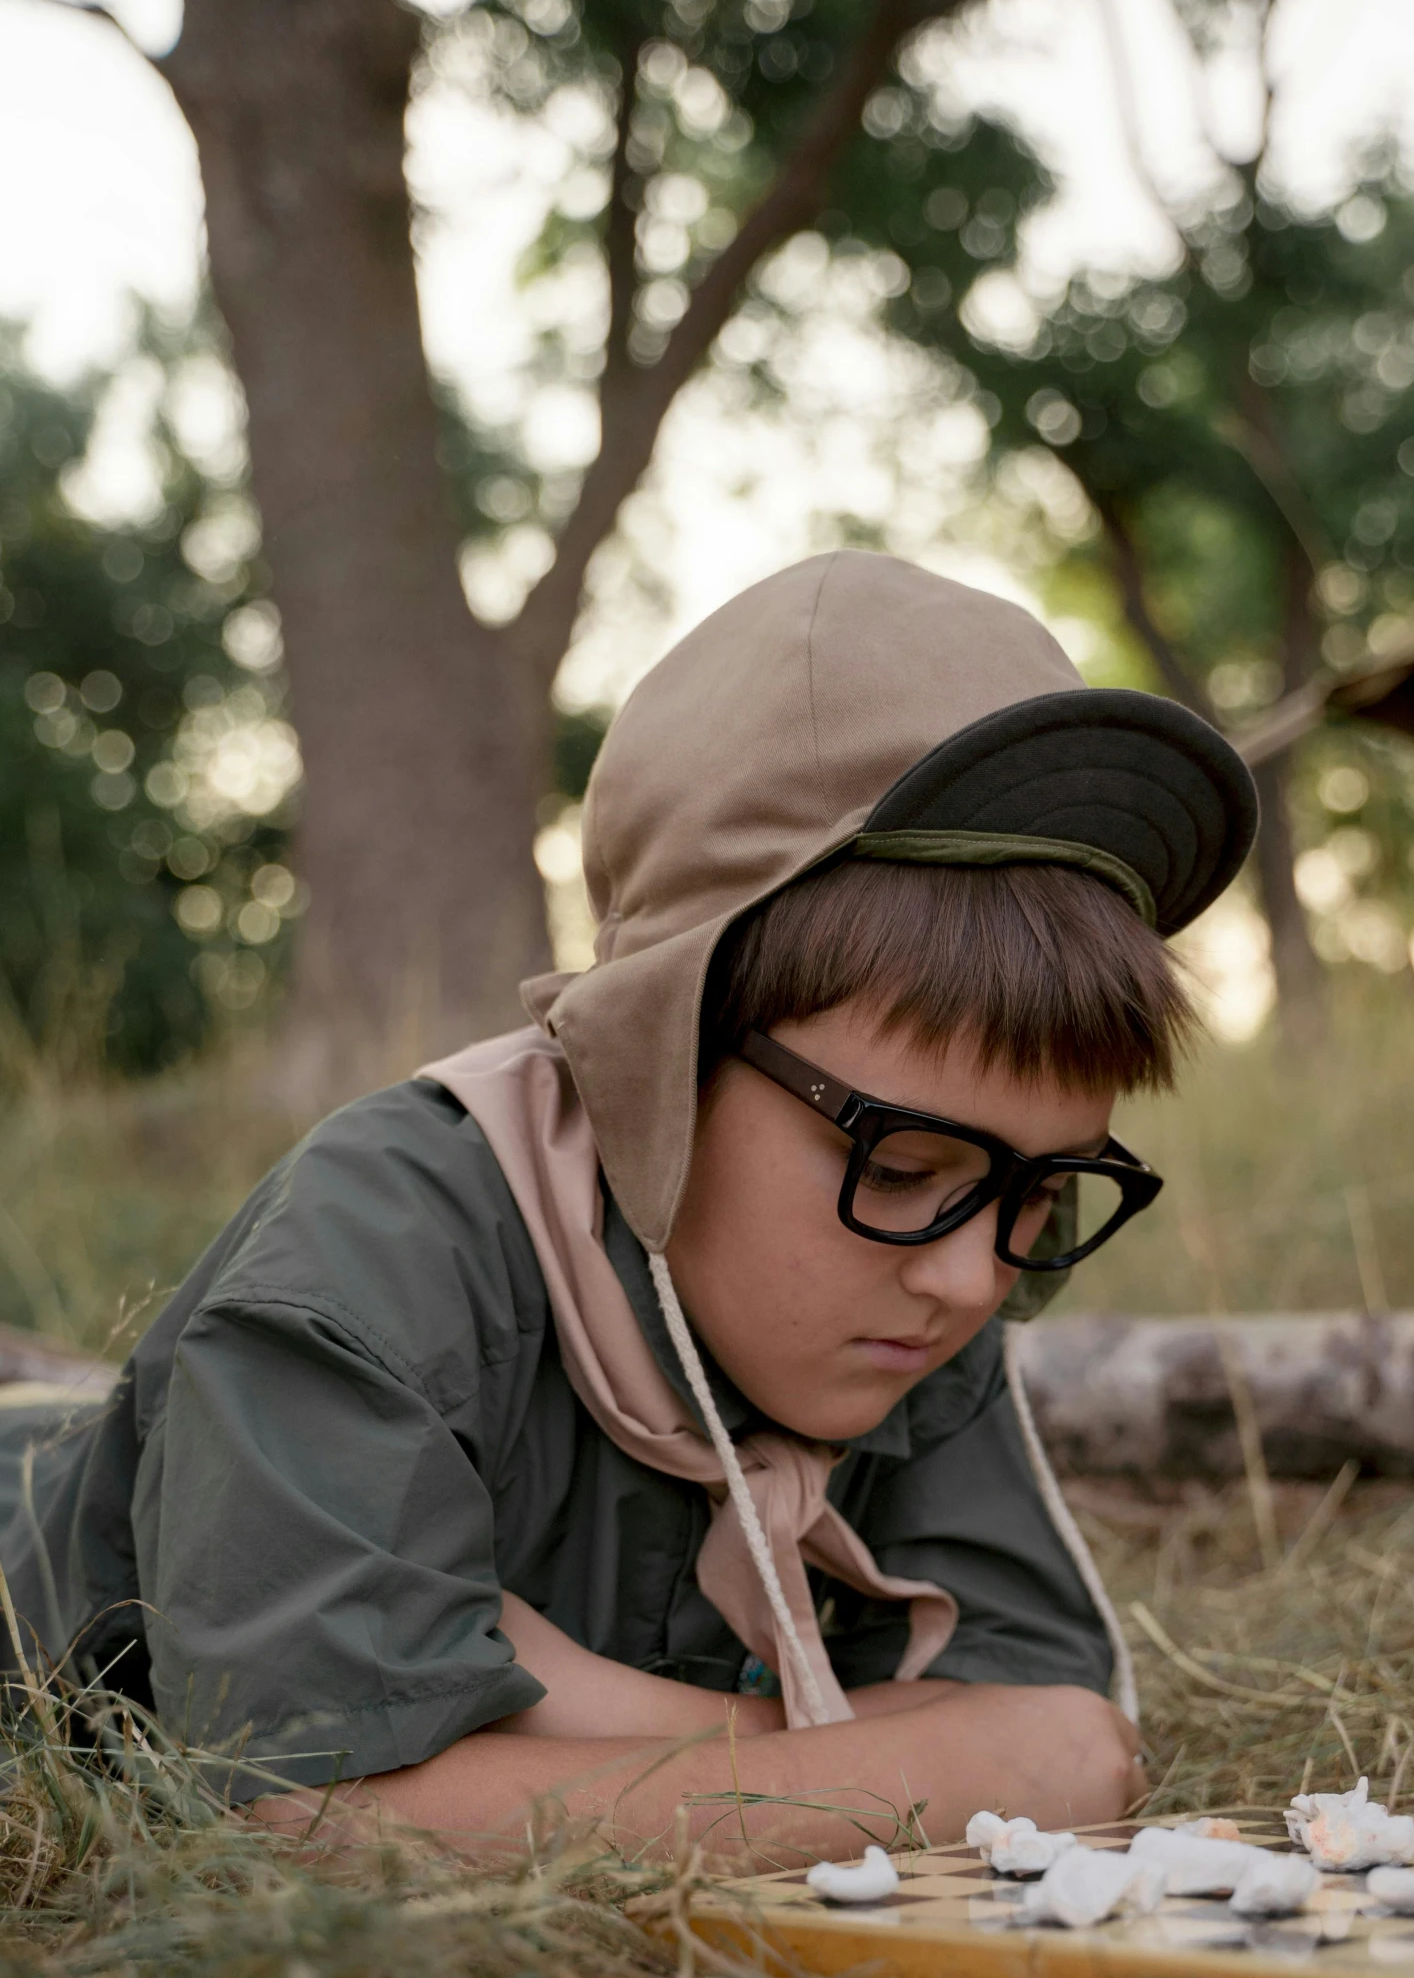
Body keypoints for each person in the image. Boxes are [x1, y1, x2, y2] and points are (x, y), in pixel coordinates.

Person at [0, 553, 1256, 1866]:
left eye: (1040, 1192)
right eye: (897, 1168)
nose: (968, 1279)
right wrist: (936, 1763)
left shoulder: (915, 1281)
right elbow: (307, 1824)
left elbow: (1046, 1714)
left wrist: (606, 1709)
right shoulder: (379, 1250)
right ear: (655, 1057)